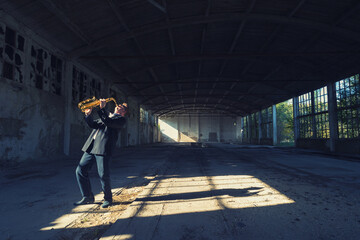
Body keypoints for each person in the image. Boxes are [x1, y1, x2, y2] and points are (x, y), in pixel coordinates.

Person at [74, 99, 128, 208]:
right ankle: (87, 196)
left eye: (122, 106)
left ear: (124, 112)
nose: (118, 105)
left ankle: (108, 199)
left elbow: (108, 122)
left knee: (103, 175)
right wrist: (88, 115)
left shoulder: (121, 119)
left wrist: (102, 108)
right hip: (91, 146)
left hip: (103, 148)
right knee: (80, 170)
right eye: (119, 104)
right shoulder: (108, 115)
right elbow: (93, 125)